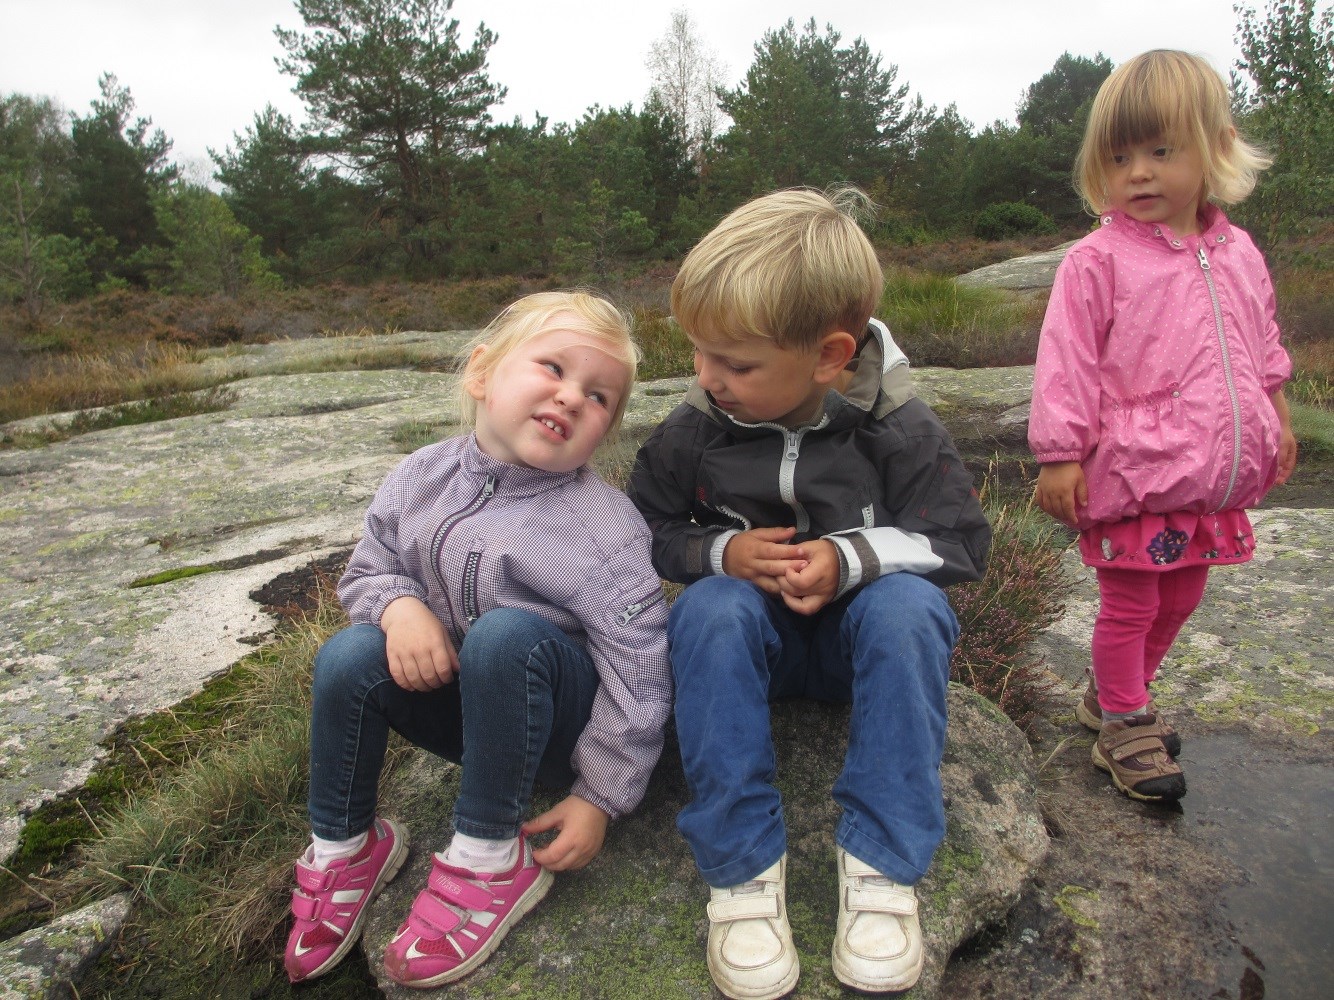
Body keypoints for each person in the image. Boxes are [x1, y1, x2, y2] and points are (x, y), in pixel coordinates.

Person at [628, 188, 991, 998]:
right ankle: (741, 868)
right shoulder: (695, 427)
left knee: (911, 609)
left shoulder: (896, 426)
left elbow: (962, 544)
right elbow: (641, 528)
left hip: (855, 649)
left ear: (830, 355)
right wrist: (720, 551)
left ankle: (884, 863)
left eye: (736, 363)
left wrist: (850, 558)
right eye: (700, 353)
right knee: (707, 609)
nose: (706, 378)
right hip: (749, 647)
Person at [283, 291, 672, 988]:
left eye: (600, 397)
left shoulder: (600, 527)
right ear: (482, 373)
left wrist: (600, 794)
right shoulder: (420, 476)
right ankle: (345, 845)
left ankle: (488, 857)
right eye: (552, 367)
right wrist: (400, 608)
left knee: (505, 636)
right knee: (347, 656)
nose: (571, 397)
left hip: (559, 731)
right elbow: (368, 570)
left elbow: (641, 668)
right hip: (473, 714)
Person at [1029, 50, 1297, 804]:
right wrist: (1060, 454)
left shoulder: (1237, 250)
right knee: (1132, 602)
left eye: (1159, 151)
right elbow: (1066, 363)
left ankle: (1114, 697)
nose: (1138, 172)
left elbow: (1261, 337)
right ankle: (1124, 723)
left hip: (1209, 478)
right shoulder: (1096, 262)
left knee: (1181, 599)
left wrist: (1275, 411)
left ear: (1215, 149)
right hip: (1134, 472)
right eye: (1119, 158)